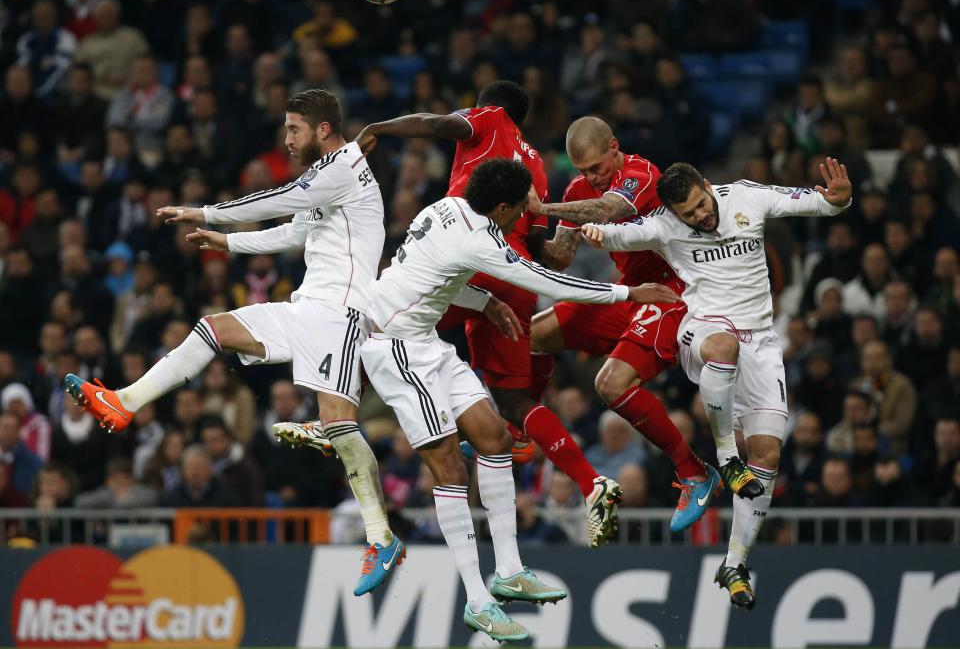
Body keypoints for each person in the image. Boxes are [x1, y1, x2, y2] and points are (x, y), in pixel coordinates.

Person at [63, 89, 399, 597]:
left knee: (339, 425)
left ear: (323, 130)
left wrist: (207, 213)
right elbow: (295, 230)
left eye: (294, 129)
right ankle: (124, 401)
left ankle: (381, 537)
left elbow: (278, 200)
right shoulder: (331, 177)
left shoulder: (342, 169)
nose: (286, 139)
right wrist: (230, 243)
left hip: (343, 314)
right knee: (213, 327)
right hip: (307, 307)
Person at [360, 157, 679, 641]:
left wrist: (484, 300)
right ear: (503, 207)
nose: (525, 220)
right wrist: (628, 293)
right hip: (395, 350)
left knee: (494, 437)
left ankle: (508, 569)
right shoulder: (482, 240)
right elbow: (551, 283)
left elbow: (428, 276)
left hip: (425, 340)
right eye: (521, 211)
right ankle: (477, 599)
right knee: (448, 469)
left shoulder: (443, 207)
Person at [355, 80, 625, 548]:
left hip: (465, 262)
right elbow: (551, 256)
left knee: (381, 327)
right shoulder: (536, 167)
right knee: (516, 401)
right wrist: (581, 219)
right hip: (514, 276)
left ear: (488, 106)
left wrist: (379, 126)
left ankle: (331, 417)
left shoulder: (488, 119)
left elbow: (435, 124)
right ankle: (587, 481)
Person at [582, 157, 852, 609]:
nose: (702, 216)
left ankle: (735, 563)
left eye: (703, 205)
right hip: (703, 330)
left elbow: (818, 204)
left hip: (762, 343)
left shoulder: (747, 196)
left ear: (709, 186)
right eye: (690, 214)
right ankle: (726, 458)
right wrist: (590, 230)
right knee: (723, 348)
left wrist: (839, 203)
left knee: (767, 453)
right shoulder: (664, 226)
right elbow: (612, 232)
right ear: (674, 213)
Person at [527, 116, 720, 532]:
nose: (590, 178)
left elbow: (609, 208)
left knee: (610, 385)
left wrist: (543, 207)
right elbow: (559, 256)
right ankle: (521, 429)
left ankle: (694, 472)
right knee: (532, 334)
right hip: (631, 292)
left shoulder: (641, 172)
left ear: (614, 147)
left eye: (597, 167)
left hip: (673, 291)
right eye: (582, 171)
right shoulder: (579, 190)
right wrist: (520, 229)